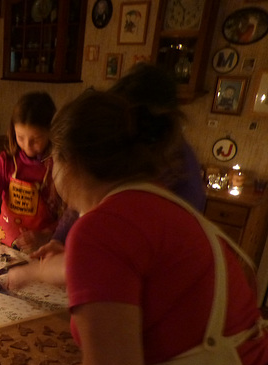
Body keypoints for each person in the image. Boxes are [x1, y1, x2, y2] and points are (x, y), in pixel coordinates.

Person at [12, 89, 268, 365]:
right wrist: (29, 274)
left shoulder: (99, 229)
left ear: (66, 161)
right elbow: (98, 267)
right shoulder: (159, 204)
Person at [32, 63, 207, 262]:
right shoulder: (126, 156)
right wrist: (60, 240)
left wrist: (55, 268)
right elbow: (86, 191)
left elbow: (127, 261)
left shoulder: (180, 182)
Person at [0, 91, 63, 285]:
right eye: (21, 137)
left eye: (36, 139)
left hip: (40, 255)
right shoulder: (6, 162)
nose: (27, 146)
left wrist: (46, 235)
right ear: (13, 131)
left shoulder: (59, 166)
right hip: (2, 245)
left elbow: (70, 214)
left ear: (51, 132)